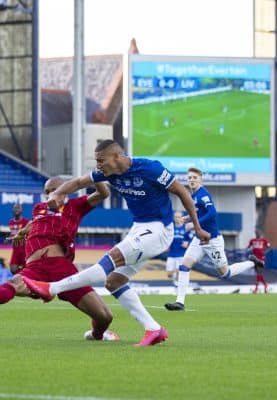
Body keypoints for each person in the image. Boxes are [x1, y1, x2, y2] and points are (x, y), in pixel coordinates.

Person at [21, 140, 210, 346]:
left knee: (109, 261)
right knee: (112, 281)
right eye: (96, 161)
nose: (98, 166)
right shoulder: (107, 172)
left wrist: (198, 227)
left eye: (101, 161)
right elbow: (77, 183)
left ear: (117, 157)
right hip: (139, 227)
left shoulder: (150, 168)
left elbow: (182, 192)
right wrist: (59, 193)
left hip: (159, 229)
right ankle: (154, 329)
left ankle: (52, 288)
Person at [0, 176, 119, 341]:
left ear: (66, 188)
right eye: (46, 192)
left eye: (54, 190)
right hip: (35, 267)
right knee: (15, 283)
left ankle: (96, 335)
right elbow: (36, 222)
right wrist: (23, 231)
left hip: (61, 268)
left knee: (105, 317)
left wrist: (95, 176)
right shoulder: (39, 208)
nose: (49, 195)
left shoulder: (76, 206)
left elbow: (104, 193)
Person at [164, 167, 256, 311]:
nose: (192, 180)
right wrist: (186, 218)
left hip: (212, 240)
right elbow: (198, 213)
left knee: (225, 273)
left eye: (195, 177)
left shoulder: (203, 194)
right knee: (184, 266)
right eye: (189, 178)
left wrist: (193, 224)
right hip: (198, 239)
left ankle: (252, 262)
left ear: (200, 179)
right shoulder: (193, 196)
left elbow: (212, 213)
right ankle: (180, 302)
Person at [165, 211, 191, 283]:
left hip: (181, 255)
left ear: (182, 218)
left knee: (178, 272)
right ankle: (175, 281)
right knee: (169, 274)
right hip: (171, 254)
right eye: (176, 217)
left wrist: (187, 243)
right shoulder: (171, 228)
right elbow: (166, 237)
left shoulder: (185, 228)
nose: (177, 218)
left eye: (179, 217)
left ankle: (177, 286)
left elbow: (191, 239)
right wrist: (166, 245)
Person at [7, 203, 29, 274]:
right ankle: (21, 276)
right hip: (15, 250)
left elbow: (28, 234)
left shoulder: (26, 222)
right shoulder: (11, 222)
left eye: (18, 208)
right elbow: (12, 234)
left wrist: (20, 237)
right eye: (15, 208)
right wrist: (9, 238)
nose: (17, 210)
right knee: (13, 269)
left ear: (21, 210)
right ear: (12, 210)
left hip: (24, 249)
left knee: (27, 269)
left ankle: (24, 280)